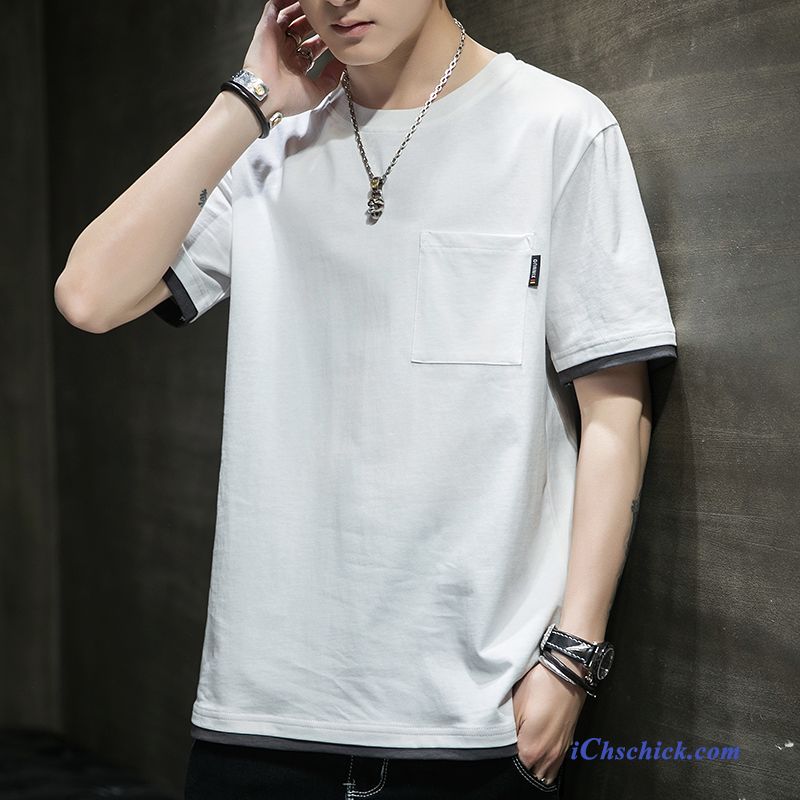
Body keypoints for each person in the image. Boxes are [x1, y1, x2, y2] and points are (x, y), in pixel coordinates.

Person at [54, 0, 679, 797]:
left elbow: (616, 414)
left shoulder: (557, 128)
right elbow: (90, 295)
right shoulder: (271, 151)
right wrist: (248, 100)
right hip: (261, 722)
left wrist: (572, 658)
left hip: (474, 728)